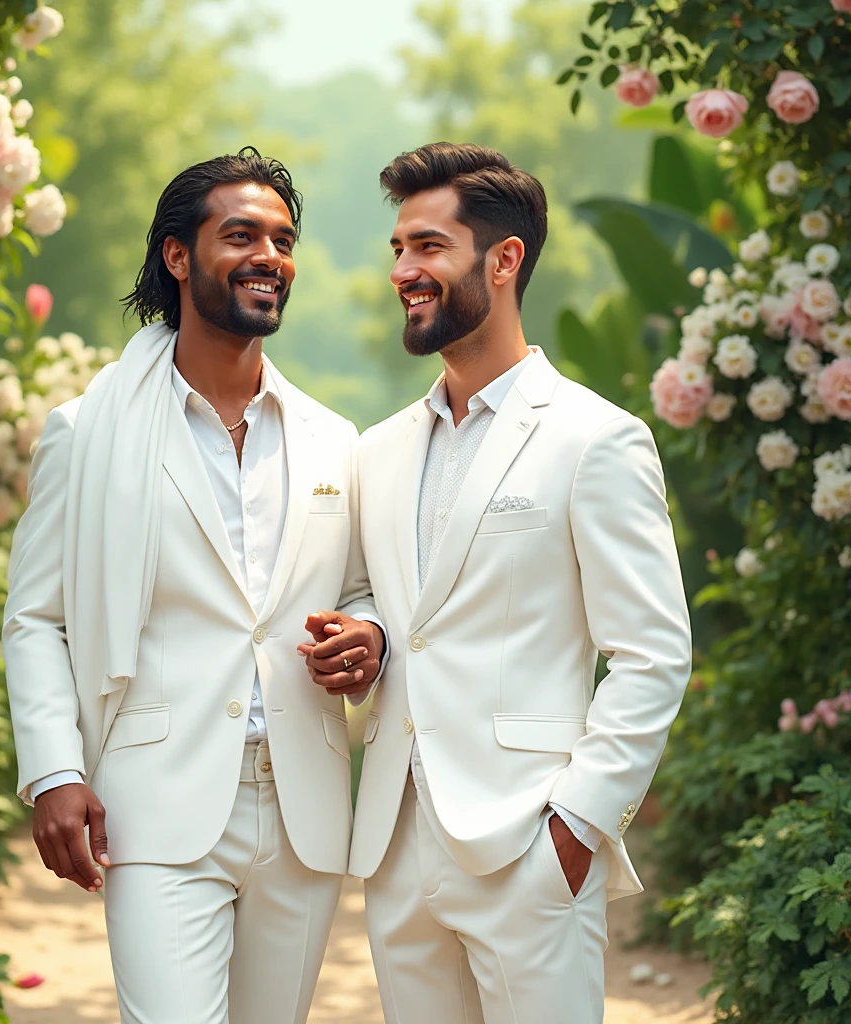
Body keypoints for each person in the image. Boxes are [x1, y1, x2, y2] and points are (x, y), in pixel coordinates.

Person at [2, 147, 386, 1024]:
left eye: (283, 241)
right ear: (179, 257)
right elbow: (36, 618)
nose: (269, 257)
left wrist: (368, 636)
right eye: (241, 234)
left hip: (303, 807)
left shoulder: (333, 439)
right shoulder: (86, 432)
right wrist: (54, 773)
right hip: (155, 804)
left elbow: (361, 589)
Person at [322, 141, 691, 1022]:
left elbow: (651, 653)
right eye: (398, 250)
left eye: (428, 248)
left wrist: (577, 827)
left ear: (505, 258)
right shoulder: (379, 447)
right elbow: (382, 598)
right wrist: (367, 631)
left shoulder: (596, 439)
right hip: (396, 843)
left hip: (531, 840)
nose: (405, 271)